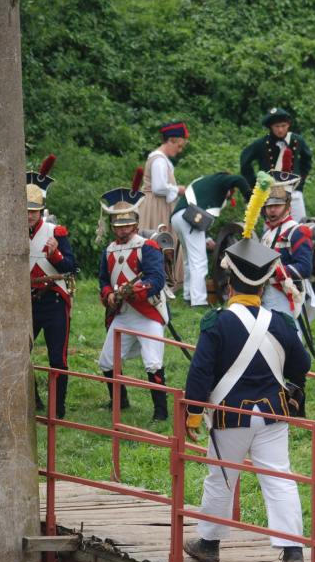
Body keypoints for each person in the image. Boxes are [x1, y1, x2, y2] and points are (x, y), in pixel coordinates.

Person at [182, 237, 311, 562]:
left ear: (229, 281)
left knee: (221, 478)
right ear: (265, 282)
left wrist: (194, 412)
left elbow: (201, 372)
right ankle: (293, 550)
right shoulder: (281, 322)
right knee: (279, 478)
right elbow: (302, 363)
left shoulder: (216, 323)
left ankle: (209, 544)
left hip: (230, 416)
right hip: (272, 414)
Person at [97, 188, 170, 421]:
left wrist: (133, 291)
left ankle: (161, 412)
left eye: (126, 225)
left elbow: (156, 280)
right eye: (118, 225)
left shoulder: (147, 246)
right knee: (107, 360)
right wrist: (108, 294)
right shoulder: (108, 250)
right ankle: (120, 401)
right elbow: (102, 280)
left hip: (147, 312)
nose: (122, 229)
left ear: (135, 224)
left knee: (153, 363)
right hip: (123, 313)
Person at [28, 182, 77, 420]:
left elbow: (70, 267)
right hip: (26, 303)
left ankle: (58, 410)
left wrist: (55, 254)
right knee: (21, 353)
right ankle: (32, 400)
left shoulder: (55, 232)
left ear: (40, 211)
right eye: (25, 210)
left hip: (54, 300)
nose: (29, 215)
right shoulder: (8, 231)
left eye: (33, 211)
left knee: (58, 357)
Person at [170, 172, 251, 307]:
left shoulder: (203, 182)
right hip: (190, 217)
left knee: (189, 261)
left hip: (179, 217)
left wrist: (206, 238)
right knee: (199, 261)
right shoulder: (222, 179)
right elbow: (239, 178)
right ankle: (199, 301)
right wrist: (249, 196)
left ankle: (188, 296)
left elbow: (201, 214)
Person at [240, 107, 313, 221]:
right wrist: (255, 184)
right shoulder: (261, 143)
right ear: (270, 127)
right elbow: (245, 161)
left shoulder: (297, 140)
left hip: (293, 190)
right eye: (277, 126)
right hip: (271, 192)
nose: (280, 130)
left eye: (283, 126)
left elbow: (307, 160)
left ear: (288, 125)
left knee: (300, 225)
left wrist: (301, 180)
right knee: (272, 228)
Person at [260, 176, 314, 325]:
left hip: (287, 296)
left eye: (277, 205)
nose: (272, 209)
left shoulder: (297, 231)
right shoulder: (266, 234)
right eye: (268, 205)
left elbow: (305, 268)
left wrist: (277, 271)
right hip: (266, 294)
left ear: (288, 206)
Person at [137, 121, 189, 238]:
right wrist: (178, 189)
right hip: (155, 206)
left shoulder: (161, 159)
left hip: (159, 205)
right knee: (158, 240)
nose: (179, 150)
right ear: (171, 140)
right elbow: (159, 188)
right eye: (178, 146)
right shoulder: (159, 160)